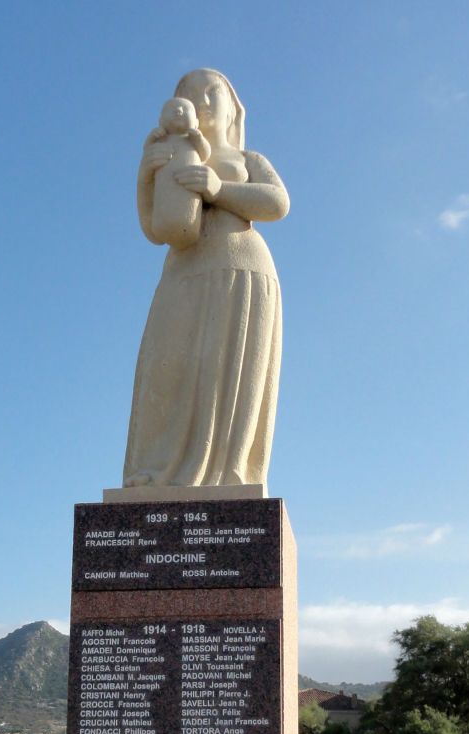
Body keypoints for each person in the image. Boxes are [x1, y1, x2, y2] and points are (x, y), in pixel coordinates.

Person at [124, 68, 290, 489]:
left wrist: (218, 189)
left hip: (241, 271)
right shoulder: (173, 153)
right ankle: (157, 470)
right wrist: (145, 179)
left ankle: (229, 473)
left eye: (209, 92)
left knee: (229, 373)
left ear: (233, 108)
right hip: (183, 271)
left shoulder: (247, 160)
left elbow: (277, 203)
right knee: (167, 366)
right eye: (187, 94)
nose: (198, 99)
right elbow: (153, 230)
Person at [149, 97, 211, 250]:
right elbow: (148, 155)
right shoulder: (163, 141)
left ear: (196, 122)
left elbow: (205, 154)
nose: (178, 111)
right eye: (172, 110)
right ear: (161, 121)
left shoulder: (192, 141)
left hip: (189, 196)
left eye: (185, 109)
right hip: (167, 192)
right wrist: (152, 140)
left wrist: (199, 139)